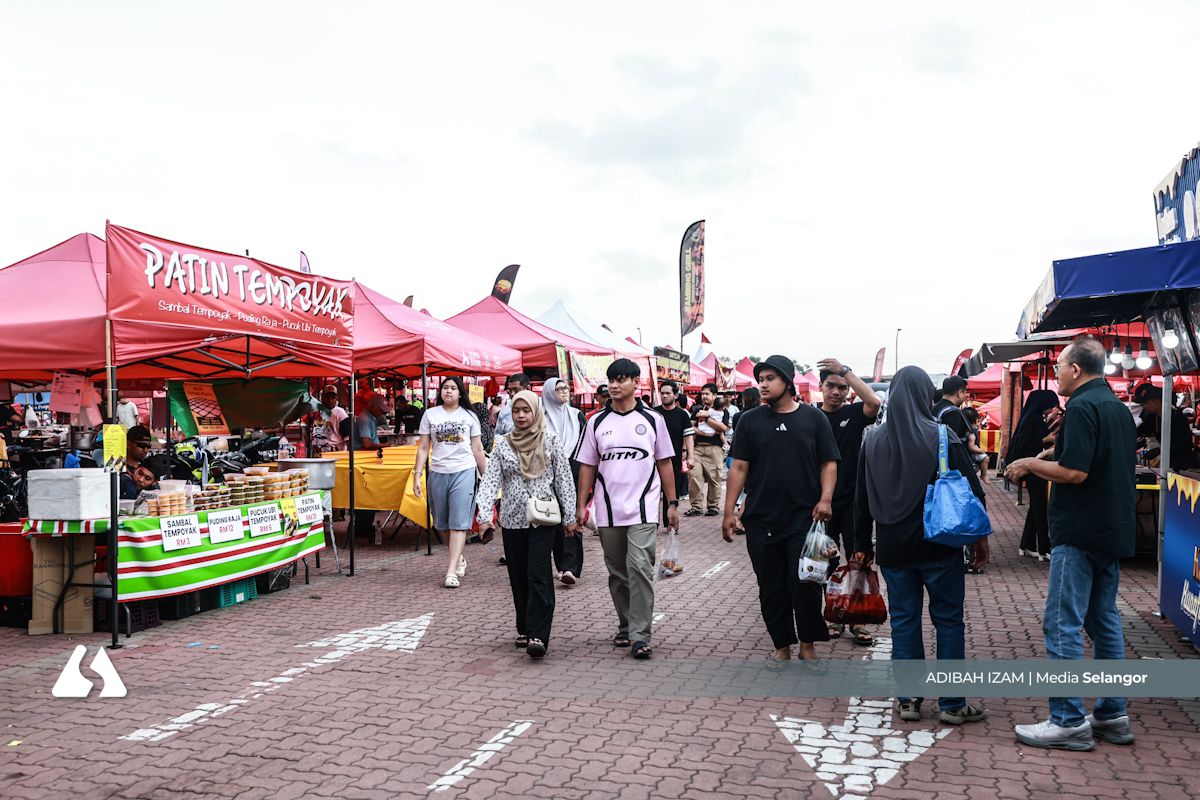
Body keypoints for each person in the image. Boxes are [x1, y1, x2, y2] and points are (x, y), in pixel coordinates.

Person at [1006, 339, 1137, 750]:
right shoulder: (1115, 406)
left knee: (1062, 623)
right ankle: (1112, 713)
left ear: (1076, 369)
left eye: (1060, 366)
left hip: (1079, 531)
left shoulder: (1081, 406)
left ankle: (1067, 720)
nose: (1057, 372)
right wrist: (1052, 449)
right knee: (1104, 622)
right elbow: (1091, 457)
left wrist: (1028, 463)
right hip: (1111, 529)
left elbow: (1075, 472)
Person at [853, 365, 989, 724]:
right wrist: (979, 540)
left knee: (904, 622)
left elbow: (861, 499)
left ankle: (909, 699)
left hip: (894, 547)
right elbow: (972, 491)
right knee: (948, 622)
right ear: (926, 396)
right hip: (939, 544)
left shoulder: (871, 440)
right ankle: (952, 703)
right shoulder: (942, 436)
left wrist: (861, 543)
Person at [722, 355, 839, 664]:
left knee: (805, 583)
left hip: (804, 517)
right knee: (771, 586)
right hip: (760, 519)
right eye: (761, 378)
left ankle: (808, 644)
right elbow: (739, 468)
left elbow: (828, 462)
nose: (762, 383)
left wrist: (825, 499)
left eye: (770, 378)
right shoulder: (749, 420)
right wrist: (729, 512)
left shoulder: (814, 419)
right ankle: (782, 645)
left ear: (787, 382)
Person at [571, 359, 677, 659]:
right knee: (617, 572)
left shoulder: (653, 420)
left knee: (639, 567)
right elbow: (588, 465)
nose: (614, 385)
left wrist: (672, 504)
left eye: (621, 379)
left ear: (635, 382)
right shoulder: (596, 423)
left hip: (644, 509)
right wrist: (582, 505)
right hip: (607, 510)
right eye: (611, 380)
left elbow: (665, 461)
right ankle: (626, 623)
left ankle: (641, 635)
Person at [476, 390, 577, 658]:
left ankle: (538, 635)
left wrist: (570, 518)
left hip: (544, 519)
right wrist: (484, 515)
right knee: (518, 576)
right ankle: (524, 626)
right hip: (512, 520)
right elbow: (490, 481)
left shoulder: (551, 442)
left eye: (526, 410)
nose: (521, 416)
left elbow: (564, 481)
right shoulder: (503, 445)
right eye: (517, 411)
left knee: (538, 574)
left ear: (536, 412)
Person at [814, 357, 881, 644]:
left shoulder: (854, 414)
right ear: (820, 387)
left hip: (855, 502)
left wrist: (845, 371)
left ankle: (859, 620)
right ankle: (833, 616)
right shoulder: (811, 417)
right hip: (821, 504)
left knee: (859, 560)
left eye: (842, 387)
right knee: (825, 563)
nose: (837, 392)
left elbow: (874, 402)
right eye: (831, 386)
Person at [414, 377, 487, 588]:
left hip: (463, 471)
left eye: (453, 388)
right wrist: (417, 475)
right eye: (445, 388)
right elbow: (423, 447)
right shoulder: (430, 414)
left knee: (459, 523)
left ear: (460, 392)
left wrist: (488, 478)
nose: (448, 391)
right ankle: (459, 558)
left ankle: (451, 570)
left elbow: (477, 449)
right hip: (437, 472)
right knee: (442, 523)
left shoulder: (469, 416)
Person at [1008, 390, 1062, 561]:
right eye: (1051, 405)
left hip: (1032, 467)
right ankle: (1044, 549)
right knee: (1040, 506)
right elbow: (1026, 444)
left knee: (1036, 506)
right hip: (1033, 467)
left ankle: (1027, 545)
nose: (1052, 409)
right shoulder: (1034, 419)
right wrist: (1046, 440)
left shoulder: (1031, 417)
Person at [541, 377, 586, 584]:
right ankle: (561, 565)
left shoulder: (576, 416)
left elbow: (586, 446)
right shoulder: (539, 416)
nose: (564, 392)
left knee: (573, 517)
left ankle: (571, 567)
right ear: (550, 392)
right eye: (558, 389)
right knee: (555, 518)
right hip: (547, 472)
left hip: (574, 470)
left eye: (565, 388)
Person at [653, 380, 695, 526]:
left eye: (668, 393)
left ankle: (670, 522)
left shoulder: (682, 415)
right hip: (654, 459)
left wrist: (690, 456)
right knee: (653, 491)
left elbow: (688, 436)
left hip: (674, 458)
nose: (664, 396)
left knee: (672, 492)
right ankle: (652, 523)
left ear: (675, 395)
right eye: (662, 393)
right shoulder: (654, 413)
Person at [686, 383, 729, 517]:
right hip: (698, 448)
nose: (704, 396)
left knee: (714, 478)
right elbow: (690, 427)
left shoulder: (722, 411)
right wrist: (704, 434)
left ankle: (713, 506)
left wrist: (706, 418)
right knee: (694, 477)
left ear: (714, 395)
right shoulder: (696, 410)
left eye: (707, 394)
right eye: (702, 394)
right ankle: (696, 507)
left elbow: (723, 428)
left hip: (715, 449)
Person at [1132, 383, 1197, 470]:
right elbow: (1137, 432)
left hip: (1184, 467)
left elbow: (1182, 445)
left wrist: (1159, 450)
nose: (1143, 407)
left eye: (1145, 403)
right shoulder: (1153, 418)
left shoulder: (1177, 418)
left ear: (1156, 401)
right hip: (1168, 465)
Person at [119, 425, 156, 500]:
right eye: (142, 445)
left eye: (148, 446)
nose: (146, 450)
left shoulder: (148, 470)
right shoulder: (118, 469)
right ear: (128, 444)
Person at [931, 376, 971, 440]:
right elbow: (953, 443)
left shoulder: (933, 409)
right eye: (965, 393)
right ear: (960, 393)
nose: (965, 396)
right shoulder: (953, 413)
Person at [959, 406, 990, 483]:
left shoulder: (962, 430)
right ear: (974, 421)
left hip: (964, 452)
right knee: (985, 458)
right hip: (971, 453)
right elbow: (971, 447)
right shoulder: (971, 434)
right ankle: (984, 475)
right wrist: (981, 451)